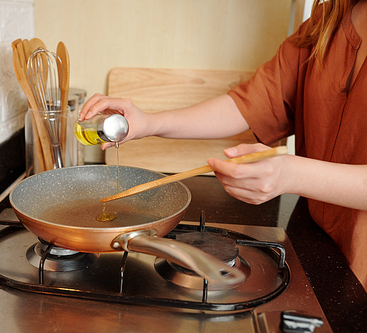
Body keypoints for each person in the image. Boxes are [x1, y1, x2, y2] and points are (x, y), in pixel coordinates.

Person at [78, 0, 367, 291]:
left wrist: (294, 175)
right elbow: (252, 103)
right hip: (312, 236)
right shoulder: (329, 18)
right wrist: (151, 123)